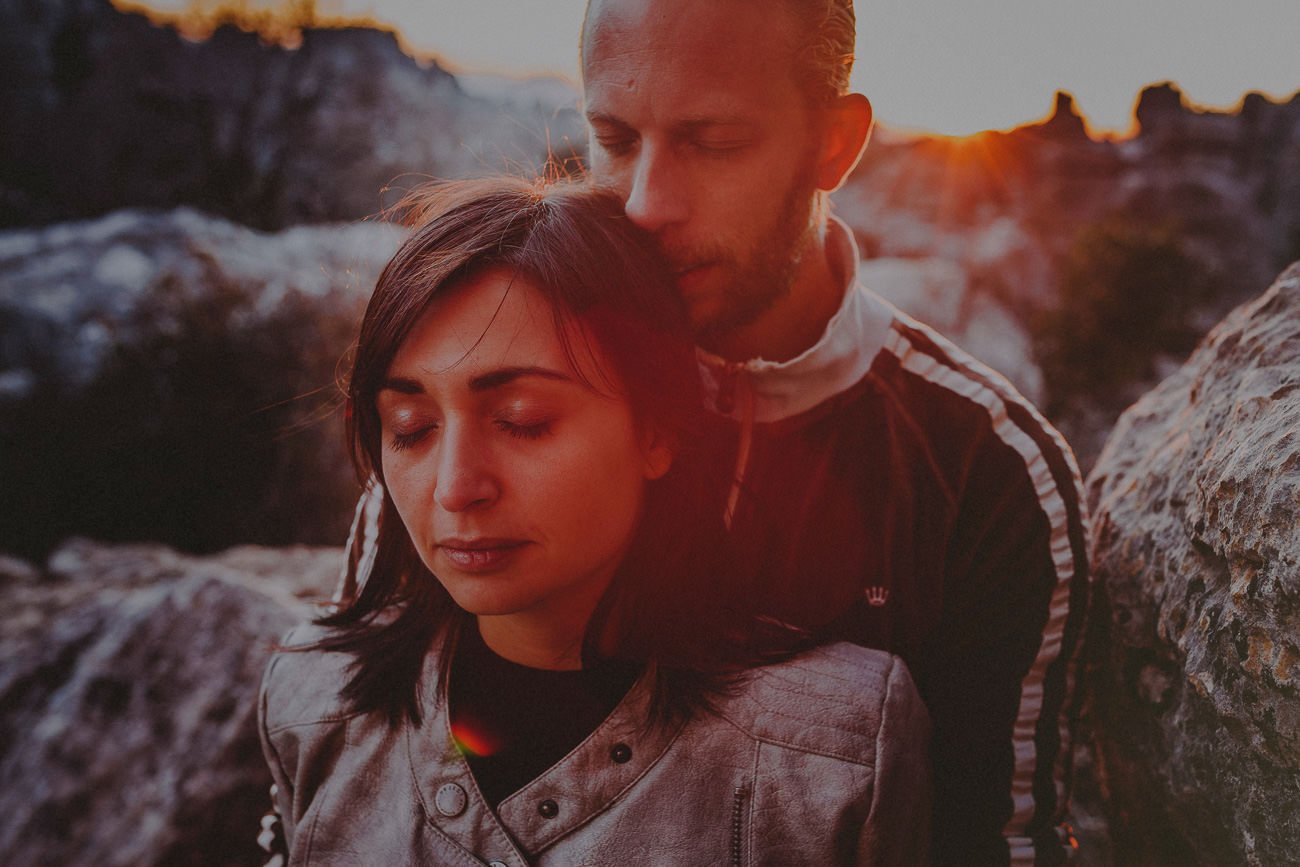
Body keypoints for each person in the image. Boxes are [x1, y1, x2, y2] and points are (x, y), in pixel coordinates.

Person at [338, 1, 1091, 863]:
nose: (649, 203)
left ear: (834, 144)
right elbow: (366, 752)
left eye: (714, 142)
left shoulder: (982, 469)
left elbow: (988, 841)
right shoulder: (472, 414)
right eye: (615, 141)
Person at [259, 177, 932, 866]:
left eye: (523, 422)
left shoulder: (833, 753)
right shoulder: (315, 699)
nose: (456, 487)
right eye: (411, 428)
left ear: (658, 429)